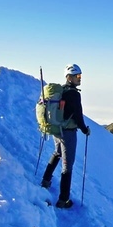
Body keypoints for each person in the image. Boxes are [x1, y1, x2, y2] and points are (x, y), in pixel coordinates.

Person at [41, 64, 91, 209]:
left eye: (80, 76)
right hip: (68, 132)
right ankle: (63, 200)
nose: (79, 78)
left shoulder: (62, 91)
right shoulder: (74, 94)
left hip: (57, 129)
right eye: (77, 76)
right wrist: (84, 129)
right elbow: (77, 114)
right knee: (67, 165)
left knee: (57, 153)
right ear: (69, 77)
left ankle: (45, 180)